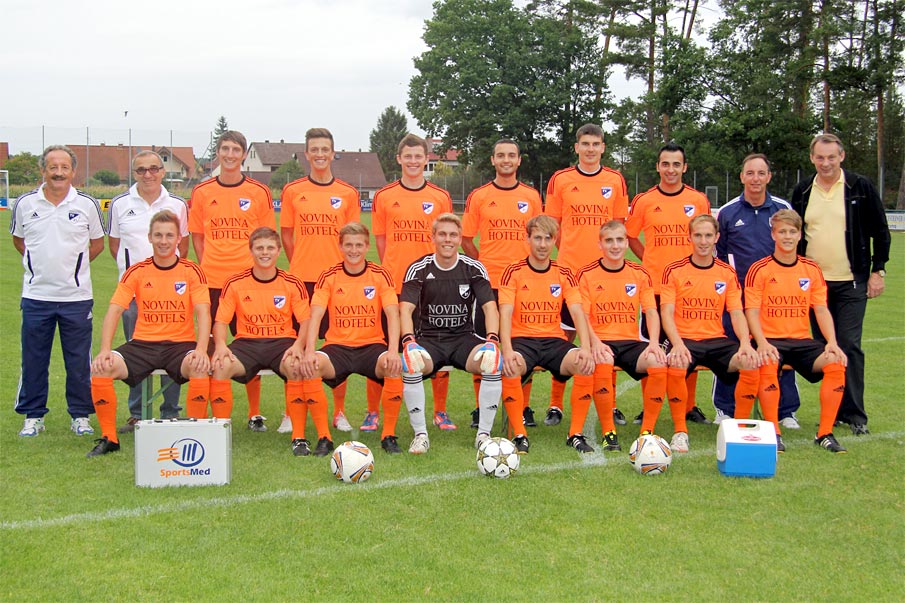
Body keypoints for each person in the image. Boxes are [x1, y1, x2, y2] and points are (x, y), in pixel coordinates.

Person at [87, 210, 211, 457]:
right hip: (143, 344)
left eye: (169, 235)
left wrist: (200, 349)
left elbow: (203, 312)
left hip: (180, 345)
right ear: (150, 238)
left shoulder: (191, 271)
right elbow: (114, 311)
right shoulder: (137, 271)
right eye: (158, 235)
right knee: (101, 368)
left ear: (178, 239)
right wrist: (104, 350)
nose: (164, 241)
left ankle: (196, 434)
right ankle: (110, 438)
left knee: (198, 366)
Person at [791, 133, 890, 436]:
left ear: (841, 156)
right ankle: (833, 412)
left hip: (851, 282)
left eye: (831, 157)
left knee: (848, 345)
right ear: (812, 158)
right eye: (820, 157)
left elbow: (880, 231)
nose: (826, 163)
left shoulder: (860, 186)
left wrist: (878, 270)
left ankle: (855, 414)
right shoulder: (803, 190)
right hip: (813, 286)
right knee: (824, 350)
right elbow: (794, 234)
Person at [210, 228, 330, 457]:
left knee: (296, 366)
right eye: (259, 248)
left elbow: (305, 321)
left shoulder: (292, 282)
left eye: (270, 248)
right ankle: (218, 436)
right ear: (251, 250)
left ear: (278, 251)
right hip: (247, 343)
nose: (264, 252)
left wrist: (298, 345)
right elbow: (220, 321)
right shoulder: (235, 283)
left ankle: (298, 437)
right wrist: (222, 345)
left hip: (282, 343)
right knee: (220, 366)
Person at [11, 145, 105, 437]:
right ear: (43, 170)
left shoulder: (86, 204)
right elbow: (19, 241)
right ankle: (33, 416)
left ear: (73, 171)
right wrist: (39, 266)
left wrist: (73, 269)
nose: (59, 173)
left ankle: (80, 416)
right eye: (53, 167)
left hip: (76, 298)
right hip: (36, 296)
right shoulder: (25, 203)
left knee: (78, 361)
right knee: (33, 359)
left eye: (64, 167)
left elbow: (97, 244)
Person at [544, 123, 630, 427]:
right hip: (569, 275)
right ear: (577, 147)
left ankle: (611, 404)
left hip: (605, 276)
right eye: (585, 144)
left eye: (596, 144)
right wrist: (568, 258)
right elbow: (552, 227)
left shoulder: (615, 180)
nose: (590, 149)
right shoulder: (561, 179)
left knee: (608, 338)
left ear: (603, 147)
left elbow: (617, 228)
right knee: (563, 338)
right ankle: (555, 404)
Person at [189, 130, 276, 432]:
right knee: (210, 346)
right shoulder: (202, 191)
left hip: (248, 283)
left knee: (252, 345)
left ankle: (254, 413)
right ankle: (208, 412)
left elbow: (266, 238)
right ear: (218, 153)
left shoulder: (258, 192)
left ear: (243, 155)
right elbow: (198, 238)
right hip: (213, 282)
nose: (229, 155)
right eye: (224, 149)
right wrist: (212, 264)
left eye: (235, 150)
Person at [743, 209, 849, 453]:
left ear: (800, 235)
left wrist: (832, 341)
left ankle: (825, 433)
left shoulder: (811, 269)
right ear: (773, 234)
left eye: (792, 232)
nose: (787, 237)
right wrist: (761, 342)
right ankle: (774, 432)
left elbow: (820, 309)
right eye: (782, 232)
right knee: (768, 360)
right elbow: (752, 311)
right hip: (769, 340)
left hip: (802, 341)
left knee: (836, 362)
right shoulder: (760, 269)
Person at [280, 127, 362, 434]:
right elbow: (286, 235)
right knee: (298, 346)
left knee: (336, 345)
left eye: (324, 149)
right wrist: (300, 262)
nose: (319, 154)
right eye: (314, 149)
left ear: (332, 153)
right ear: (306, 154)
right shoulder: (293, 191)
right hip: (302, 281)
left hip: (338, 282)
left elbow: (353, 239)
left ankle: (338, 411)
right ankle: (291, 411)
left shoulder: (347, 193)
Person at [371, 134, 455, 432]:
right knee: (386, 347)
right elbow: (381, 241)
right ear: (399, 159)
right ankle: (373, 411)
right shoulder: (384, 195)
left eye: (418, 156)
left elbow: (446, 239)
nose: (413, 161)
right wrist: (395, 269)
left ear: (426, 158)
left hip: (433, 284)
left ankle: (440, 411)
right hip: (395, 284)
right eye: (408, 156)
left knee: (439, 344)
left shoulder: (440, 196)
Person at [399, 213, 502, 453]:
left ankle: (483, 435)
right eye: (442, 234)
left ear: (459, 238)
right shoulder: (419, 268)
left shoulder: (473, 268)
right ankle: (420, 435)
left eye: (453, 235)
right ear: (433, 237)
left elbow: (490, 307)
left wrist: (492, 340)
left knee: (493, 361)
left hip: (463, 340)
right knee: (411, 363)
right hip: (429, 341)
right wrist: (409, 342)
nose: (448, 239)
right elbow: (406, 309)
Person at [625, 142, 711, 425]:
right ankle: (648, 406)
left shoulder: (698, 200)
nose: (670, 169)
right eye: (665, 164)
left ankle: (689, 405)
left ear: (684, 167)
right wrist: (648, 260)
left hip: (689, 288)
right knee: (652, 347)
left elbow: (705, 235)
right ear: (658, 167)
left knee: (688, 344)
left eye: (676, 164)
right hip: (655, 289)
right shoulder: (644, 200)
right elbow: (631, 236)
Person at [712, 154, 801, 428]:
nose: (755, 179)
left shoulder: (782, 208)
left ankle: (785, 410)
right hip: (737, 297)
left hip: (774, 297)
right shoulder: (727, 212)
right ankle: (725, 408)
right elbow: (720, 255)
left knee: (780, 346)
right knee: (732, 348)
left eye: (761, 173)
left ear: (769, 177)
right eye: (750, 173)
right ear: (742, 176)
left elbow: (793, 247)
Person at [301, 222, 405, 454]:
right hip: (337, 347)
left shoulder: (380, 275)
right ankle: (324, 438)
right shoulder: (329, 276)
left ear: (367, 246)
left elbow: (393, 314)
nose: (354, 250)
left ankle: (388, 435)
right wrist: (309, 352)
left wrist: (392, 351)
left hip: (371, 346)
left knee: (393, 366)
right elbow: (315, 315)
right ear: (340, 246)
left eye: (359, 245)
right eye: (348, 245)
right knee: (310, 367)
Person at [659, 215, 760, 452]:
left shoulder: (726, 272)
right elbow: (666, 312)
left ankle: (739, 431)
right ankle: (680, 432)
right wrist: (677, 344)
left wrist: (745, 343)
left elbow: (736, 312)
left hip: (716, 340)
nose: (703, 241)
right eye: (698, 235)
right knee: (677, 363)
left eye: (708, 236)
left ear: (717, 237)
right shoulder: (674, 270)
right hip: (684, 339)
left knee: (749, 362)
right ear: (690, 237)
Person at [498, 215, 595, 454]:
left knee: (585, 364)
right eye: (538, 238)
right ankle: (519, 434)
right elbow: (504, 313)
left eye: (548, 239)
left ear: (554, 241)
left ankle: (575, 434)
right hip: (522, 340)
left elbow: (577, 311)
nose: (542, 244)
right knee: (511, 366)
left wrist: (585, 348)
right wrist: (506, 350)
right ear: (527, 239)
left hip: (554, 341)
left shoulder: (564, 273)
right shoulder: (513, 271)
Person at [461, 138, 541, 428]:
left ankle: (524, 407)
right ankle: (481, 408)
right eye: (500, 155)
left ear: (519, 160)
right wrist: (483, 263)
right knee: (485, 346)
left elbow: (539, 237)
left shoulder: (531, 196)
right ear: (493, 160)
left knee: (523, 346)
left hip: (523, 285)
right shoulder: (479, 196)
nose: (506, 160)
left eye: (511, 155)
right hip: (489, 285)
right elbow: (466, 238)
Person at [107, 150, 189, 431]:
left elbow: (183, 247)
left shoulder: (177, 204)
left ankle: (170, 411)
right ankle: (137, 414)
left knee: (174, 351)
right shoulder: (119, 204)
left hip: (171, 296)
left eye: (154, 168)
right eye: (141, 170)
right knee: (137, 354)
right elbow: (115, 246)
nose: (148, 174)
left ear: (163, 172)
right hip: (134, 295)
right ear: (134, 173)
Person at [575, 221, 668, 453]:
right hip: (601, 341)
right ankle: (609, 432)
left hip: (631, 342)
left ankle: (647, 432)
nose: (615, 246)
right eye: (609, 241)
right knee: (603, 359)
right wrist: (595, 342)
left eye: (619, 240)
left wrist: (654, 343)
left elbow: (651, 312)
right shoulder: (587, 274)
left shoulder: (639, 273)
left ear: (627, 243)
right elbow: (582, 316)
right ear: (600, 244)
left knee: (658, 361)